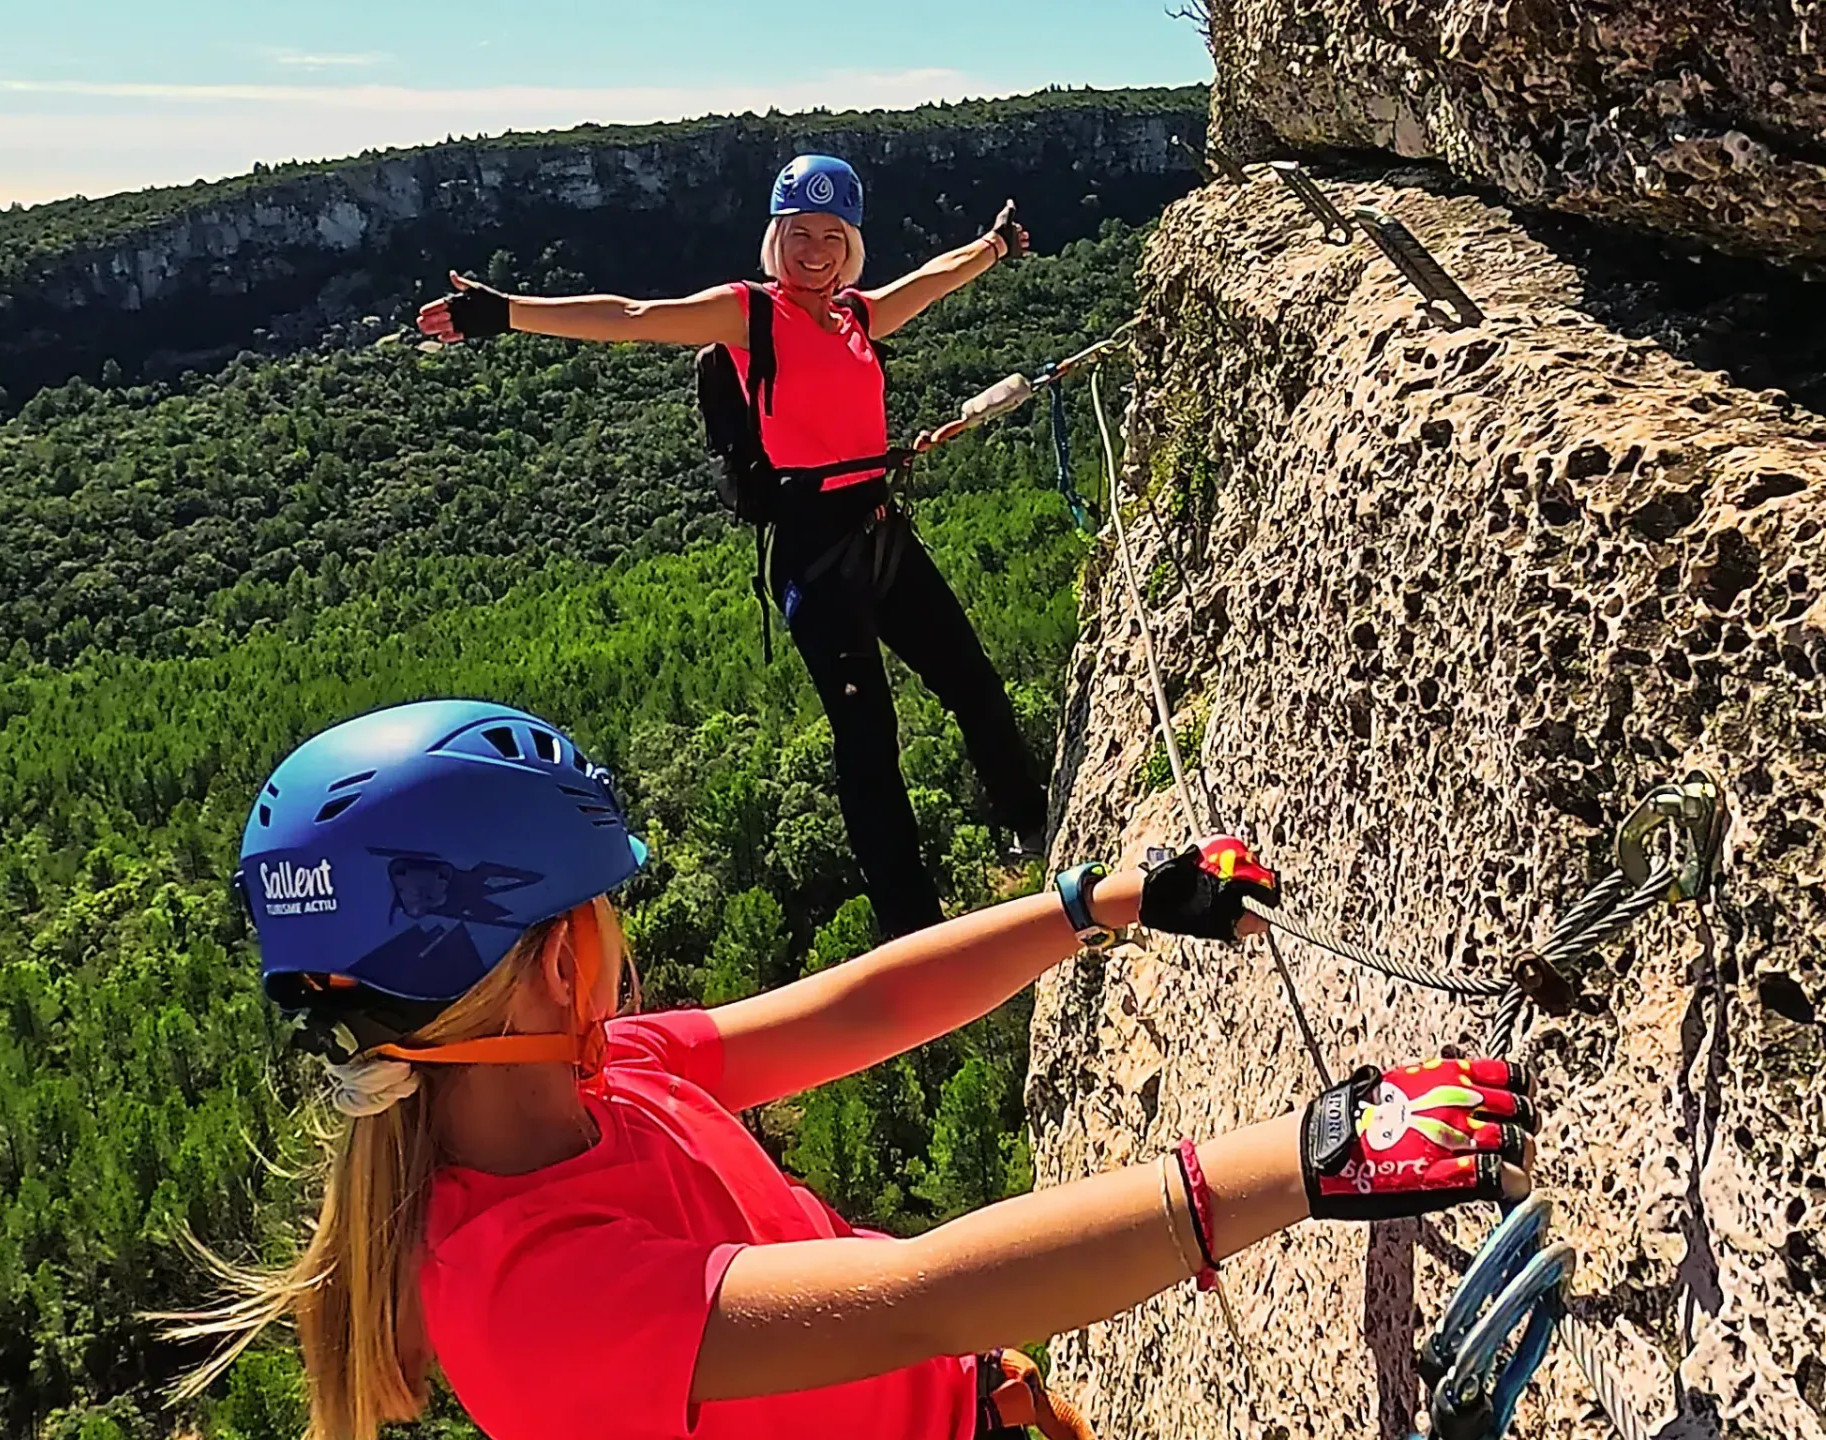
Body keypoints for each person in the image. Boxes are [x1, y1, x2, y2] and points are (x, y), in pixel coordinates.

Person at [171, 698, 1541, 1440]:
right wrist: (1298, 1156)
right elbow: (907, 1300)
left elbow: (850, 1011)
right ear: (555, 962)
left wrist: (1103, 903)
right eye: (603, 909)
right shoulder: (527, 1295)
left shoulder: (591, 1082)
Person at [414, 154, 1050, 938]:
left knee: (973, 682)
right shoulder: (748, 315)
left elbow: (931, 278)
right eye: (798, 234)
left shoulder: (856, 315)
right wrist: (506, 311)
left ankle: (1033, 819)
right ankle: (912, 928)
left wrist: (991, 248)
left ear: (850, 245)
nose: (813, 251)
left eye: (831, 235)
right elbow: (635, 317)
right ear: (774, 238)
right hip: (818, 552)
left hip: (879, 529)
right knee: (868, 744)